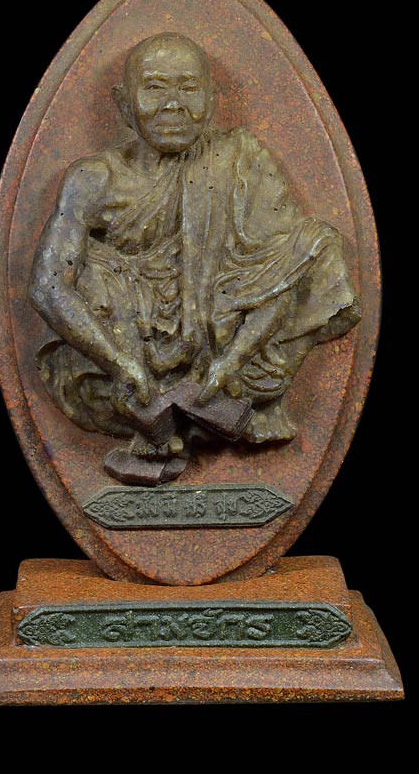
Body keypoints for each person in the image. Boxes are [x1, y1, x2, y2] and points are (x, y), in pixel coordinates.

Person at [29, 33, 360, 483]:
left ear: (211, 98)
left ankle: (235, 399)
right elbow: (48, 285)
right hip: (126, 346)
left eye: (188, 88)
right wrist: (119, 363)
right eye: (155, 87)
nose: (173, 104)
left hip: (223, 335)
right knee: (90, 273)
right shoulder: (93, 179)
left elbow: (279, 272)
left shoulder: (239, 161)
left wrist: (232, 360)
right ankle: (151, 416)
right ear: (124, 104)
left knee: (318, 244)